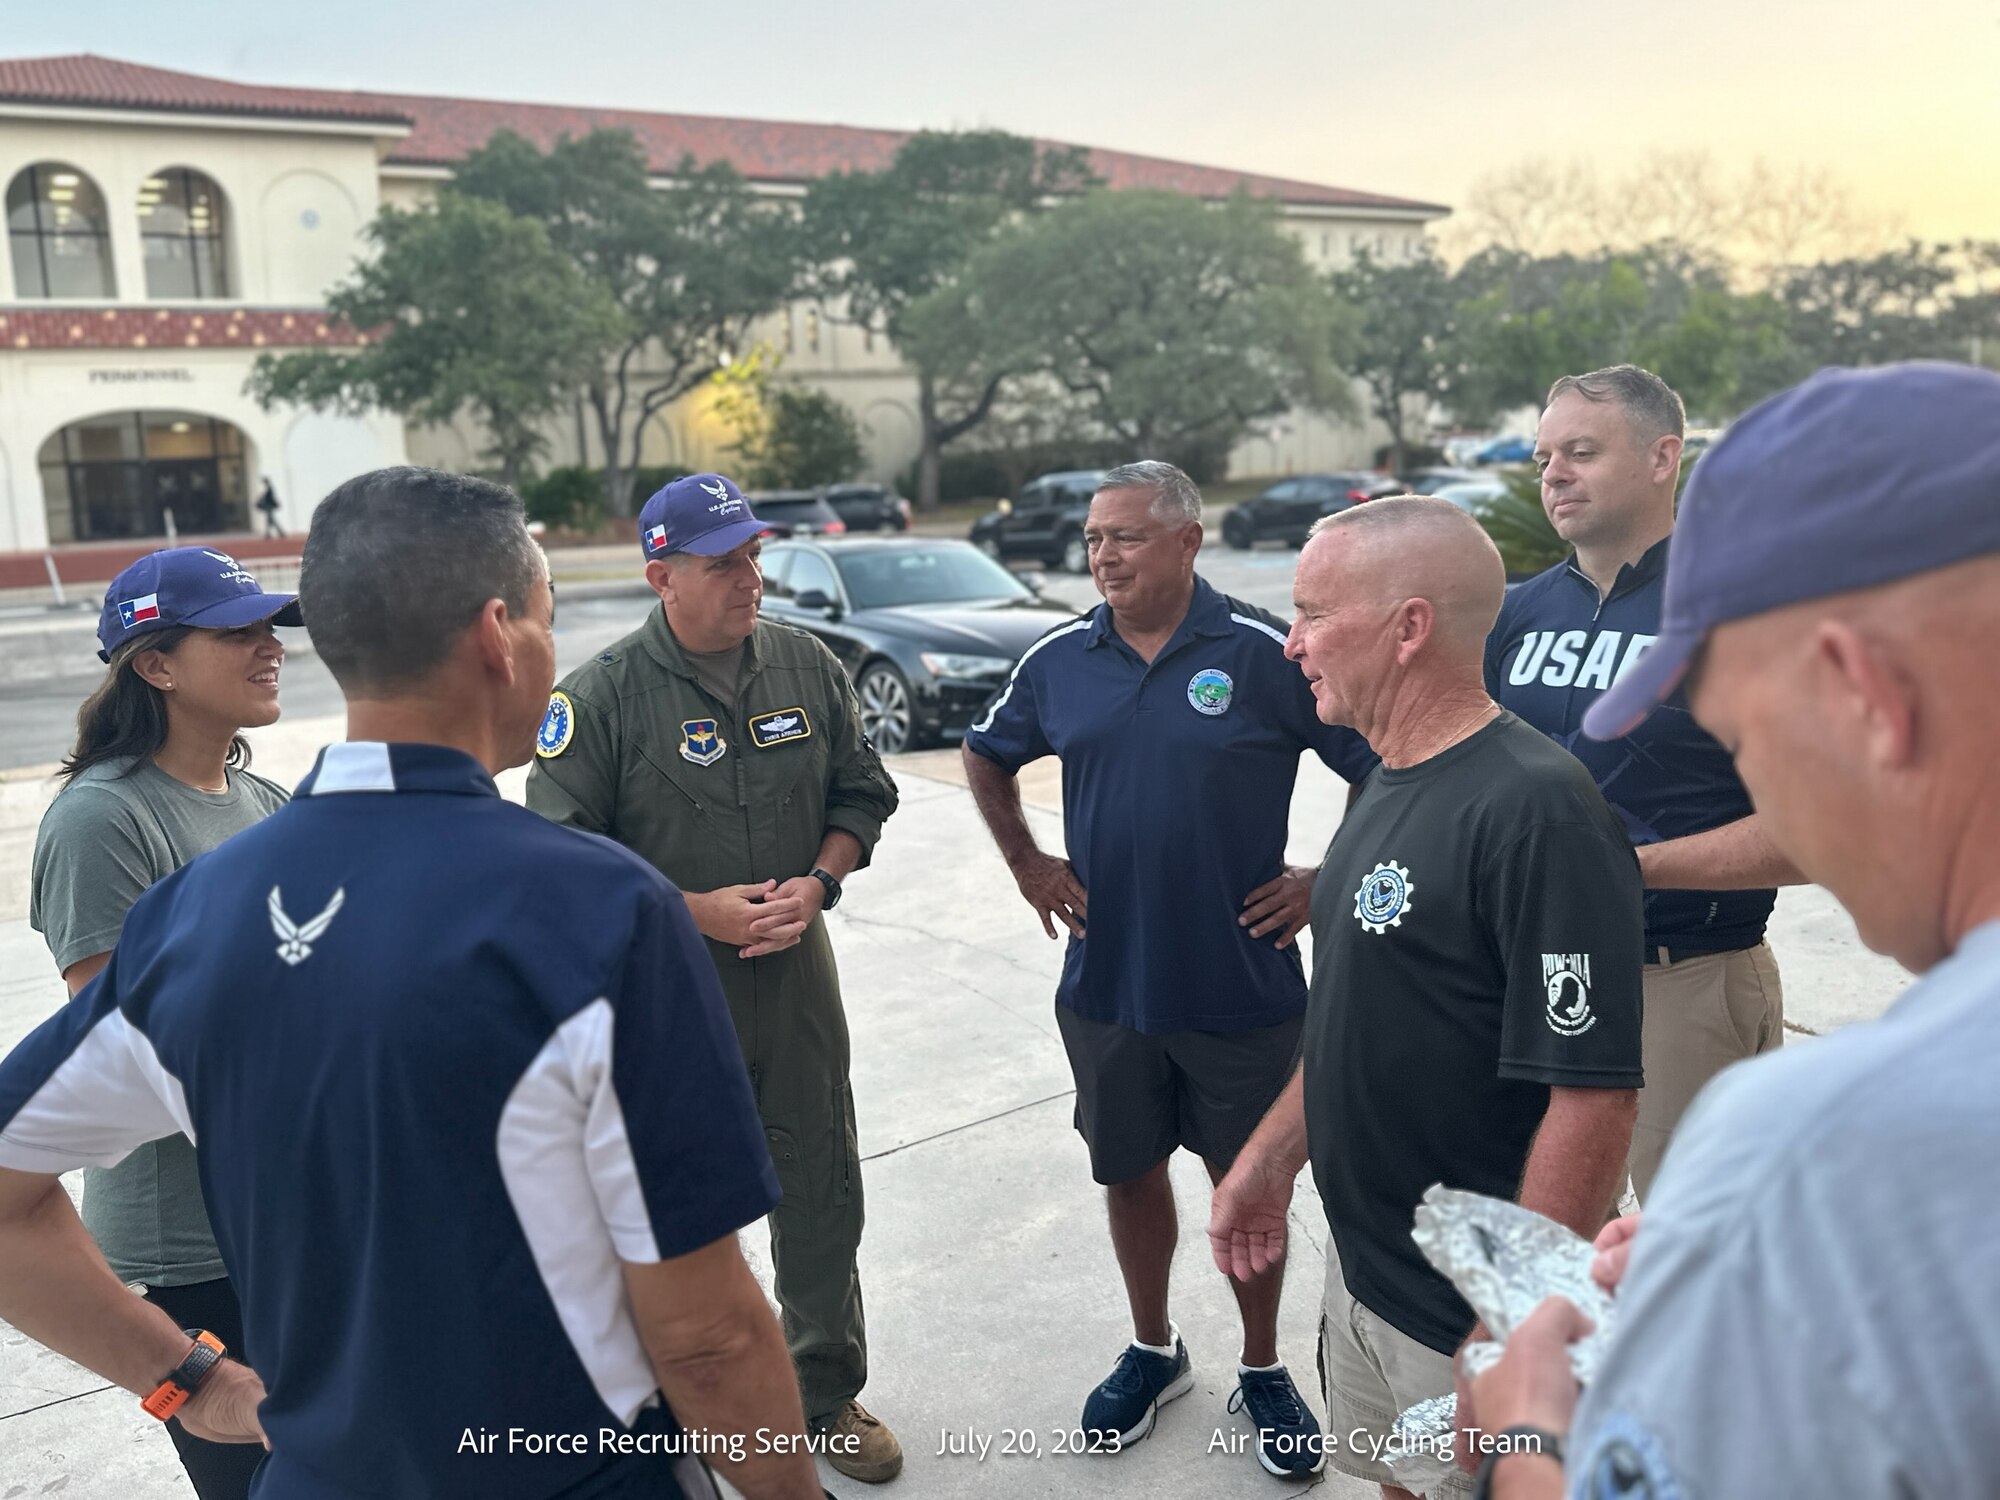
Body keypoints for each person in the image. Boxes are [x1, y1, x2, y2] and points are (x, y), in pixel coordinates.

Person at [0, 467, 822, 1500]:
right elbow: (705, 1336)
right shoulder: (598, 910)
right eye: (546, 617)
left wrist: (188, 1382)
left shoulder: (191, 916)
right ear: (498, 634)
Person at [1464, 363, 2000, 1499]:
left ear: (1863, 696)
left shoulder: (1819, 1149)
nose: (1753, 770)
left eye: (1742, 731)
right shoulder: (1522, 610)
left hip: (1686, 977)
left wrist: (1524, 1423)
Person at [1208, 498, 1645, 1500]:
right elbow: (1361, 1024)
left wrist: (1508, 1325)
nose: (1290, 641)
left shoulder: (1537, 810)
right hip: (1365, 1274)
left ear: (1408, 628)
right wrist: (1268, 1161)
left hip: (1463, 1306)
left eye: (1312, 613)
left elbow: (1592, 1096)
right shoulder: (1385, 782)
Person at [961, 460, 1377, 1478]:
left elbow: (1385, 760)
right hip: (1108, 987)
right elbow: (986, 752)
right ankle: (1153, 1349)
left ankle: (1263, 1368)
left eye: (1126, 538)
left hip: (1241, 986)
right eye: (1095, 539)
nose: (1101, 554)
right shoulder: (1060, 658)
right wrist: (1025, 858)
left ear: (1187, 542)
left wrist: (1325, 880)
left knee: (1250, 1189)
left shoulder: (1259, 653)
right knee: (1128, 1171)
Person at [525, 472, 902, 1485]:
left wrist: (820, 883)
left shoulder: (804, 665)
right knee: (668, 1206)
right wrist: (694, 912)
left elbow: (864, 791)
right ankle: (686, 1405)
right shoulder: (597, 702)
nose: (748, 579)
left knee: (820, 1184)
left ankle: (824, 1394)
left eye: (752, 558)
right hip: (659, 995)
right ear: (662, 577)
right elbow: (556, 860)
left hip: (792, 980)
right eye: (721, 564)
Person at [27, 545, 300, 1500]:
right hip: (188, 1248)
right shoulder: (102, 819)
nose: (272, 648)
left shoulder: (267, 803)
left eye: (271, 629)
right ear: (155, 663)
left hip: (289, 1218)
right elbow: (119, 1048)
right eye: (239, 633)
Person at [1491, 365, 1800, 1200]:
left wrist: (1629, 868)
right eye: (1544, 455)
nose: (1553, 472)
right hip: (1528, 982)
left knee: (1697, 1259)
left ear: (1664, 458)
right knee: (1544, 1255)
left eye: (1581, 451)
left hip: (1682, 980)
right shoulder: (1513, 614)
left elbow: (1823, 831)